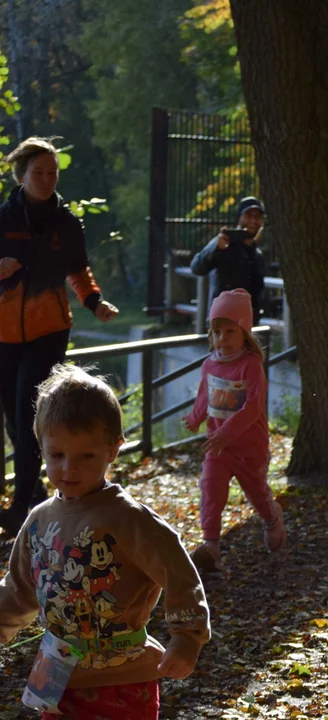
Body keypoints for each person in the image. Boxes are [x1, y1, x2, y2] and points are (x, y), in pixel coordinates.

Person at [0, 365, 210, 719]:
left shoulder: (128, 519)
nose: (69, 469)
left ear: (113, 450)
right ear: (41, 447)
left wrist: (186, 637)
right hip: (56, 679)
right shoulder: (38, 522)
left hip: (123, 681)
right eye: (57, 455)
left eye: (86, 456)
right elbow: (19, 589)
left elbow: (178, 572)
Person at [0, 137, 120, 537]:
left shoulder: (67, 223)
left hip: (48, 329)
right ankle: (32, 495)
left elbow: (79, 271)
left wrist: (95, 303)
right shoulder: (3, 218)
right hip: (3, 333)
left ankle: (20, 508)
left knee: (26, 411)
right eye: (39, 173)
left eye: (53, 173)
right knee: (14, 421)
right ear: (21, 175)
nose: (47, 180)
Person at [183, 289, 285, 573]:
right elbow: (204, 396)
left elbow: (253, 408)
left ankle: (271, 519)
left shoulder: (251, 365)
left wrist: (227, 432)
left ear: (244, 333)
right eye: (217, 332)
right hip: (219, 447)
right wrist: (195, 417)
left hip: (248, 446)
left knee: (256, 491)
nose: (222, 339)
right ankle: (211, 545)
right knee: (211, 488)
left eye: (230, 331)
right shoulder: (209, 364)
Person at [190, 196, 267, 320]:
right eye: (248, 215)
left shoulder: (257, 255)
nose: (253, 221)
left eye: (257, 217)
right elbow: (196, 268)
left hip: (247, 324)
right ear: (239, 218)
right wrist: (216, 248)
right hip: (222, 323)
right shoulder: (223, 243)